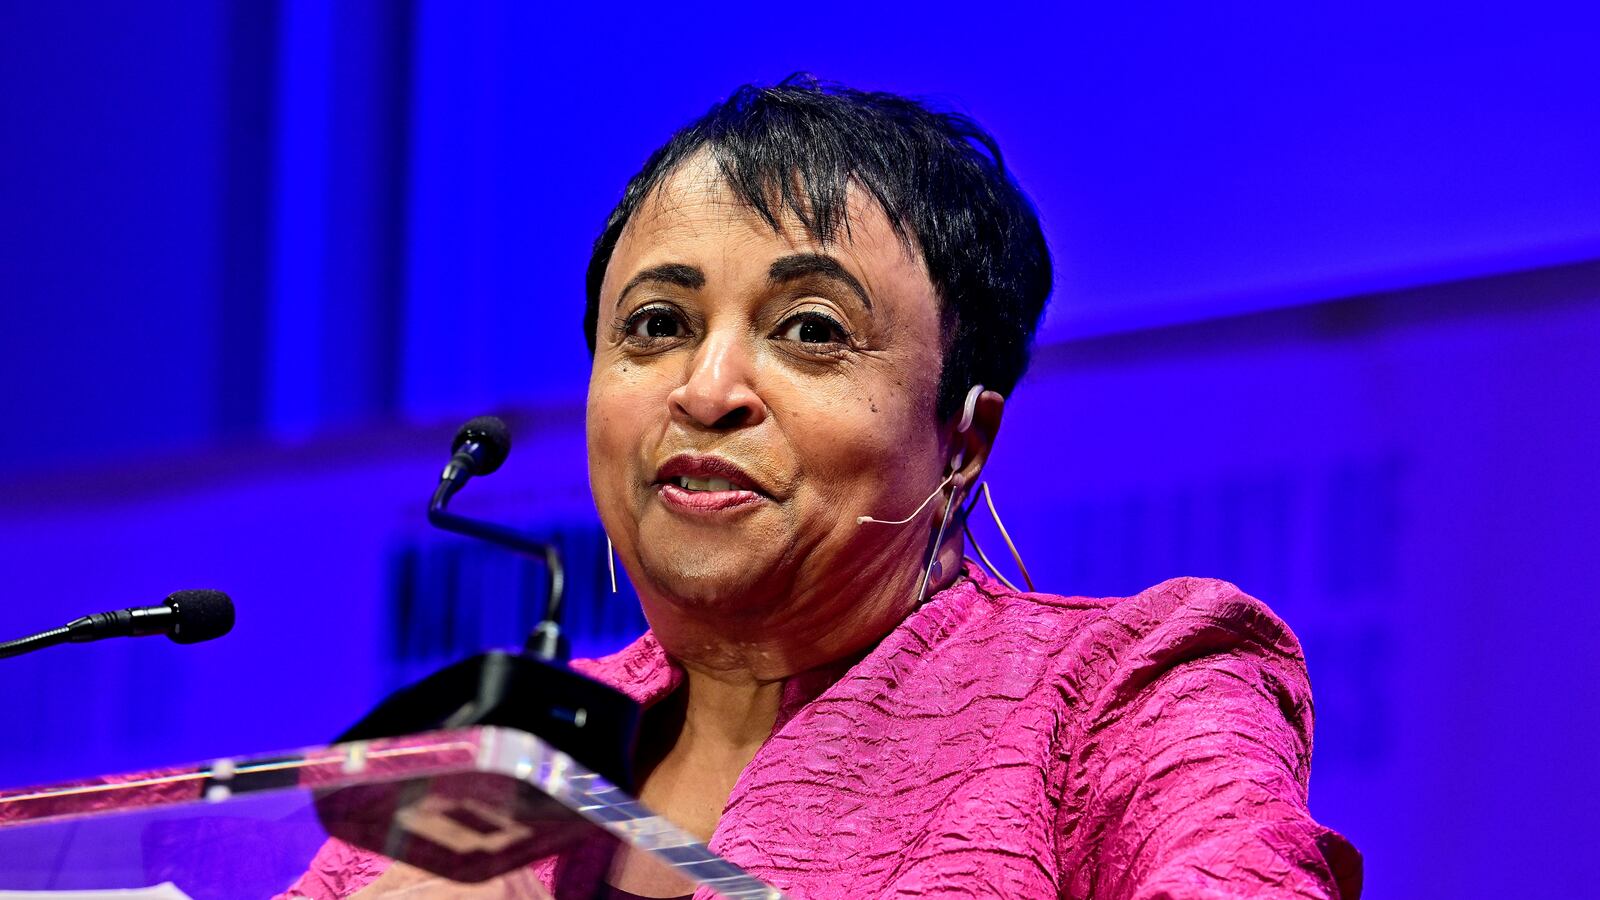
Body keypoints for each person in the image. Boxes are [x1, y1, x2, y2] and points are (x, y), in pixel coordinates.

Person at [287, 76, 1361, 899]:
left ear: (964, 432)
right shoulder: (483, 761)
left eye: (811, 332)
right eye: (656, 327)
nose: (705, 391)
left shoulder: (1123, 694)